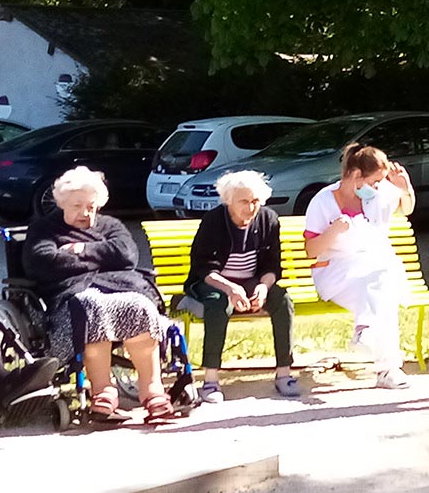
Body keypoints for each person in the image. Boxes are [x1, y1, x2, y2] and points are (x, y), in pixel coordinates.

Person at [23, 166, 174, 423]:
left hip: (121, 288)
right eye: (77, 206)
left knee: (140, 303)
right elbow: (42, 262)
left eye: (91, 206)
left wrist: (79, 250)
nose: (85, 213)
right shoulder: (44, 229)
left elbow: (126, 255)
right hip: (70, 301)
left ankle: (152, 392)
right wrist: (101, 255)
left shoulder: (110, 225)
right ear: (62, 203)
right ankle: (103, 392)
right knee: (90, 306)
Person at [304, 144, 415, 389]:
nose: (378, 187)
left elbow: (406, 209)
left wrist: (404, 189)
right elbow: (311, 250)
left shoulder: (378, 192)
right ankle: (386, 366)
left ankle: (371, 340)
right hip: (335, 273)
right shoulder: (323, 201)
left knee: (382, 287)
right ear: (356, 176)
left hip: (374, 271)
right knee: (383, 286)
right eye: (375, 182)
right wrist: (332, 232)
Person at [183, 171, 297, 402]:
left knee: (283, 300)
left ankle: (284, 373)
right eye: (244, 201)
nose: (251, 207)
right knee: (218, 304)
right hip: (214, 282)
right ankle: (211, 380)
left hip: (252, 281)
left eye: (255, 201)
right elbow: (203, 269)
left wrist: (263, 288)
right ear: (228, 201)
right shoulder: (213, 221)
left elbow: (272, 265)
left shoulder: (269, 219)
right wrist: (231, 289)